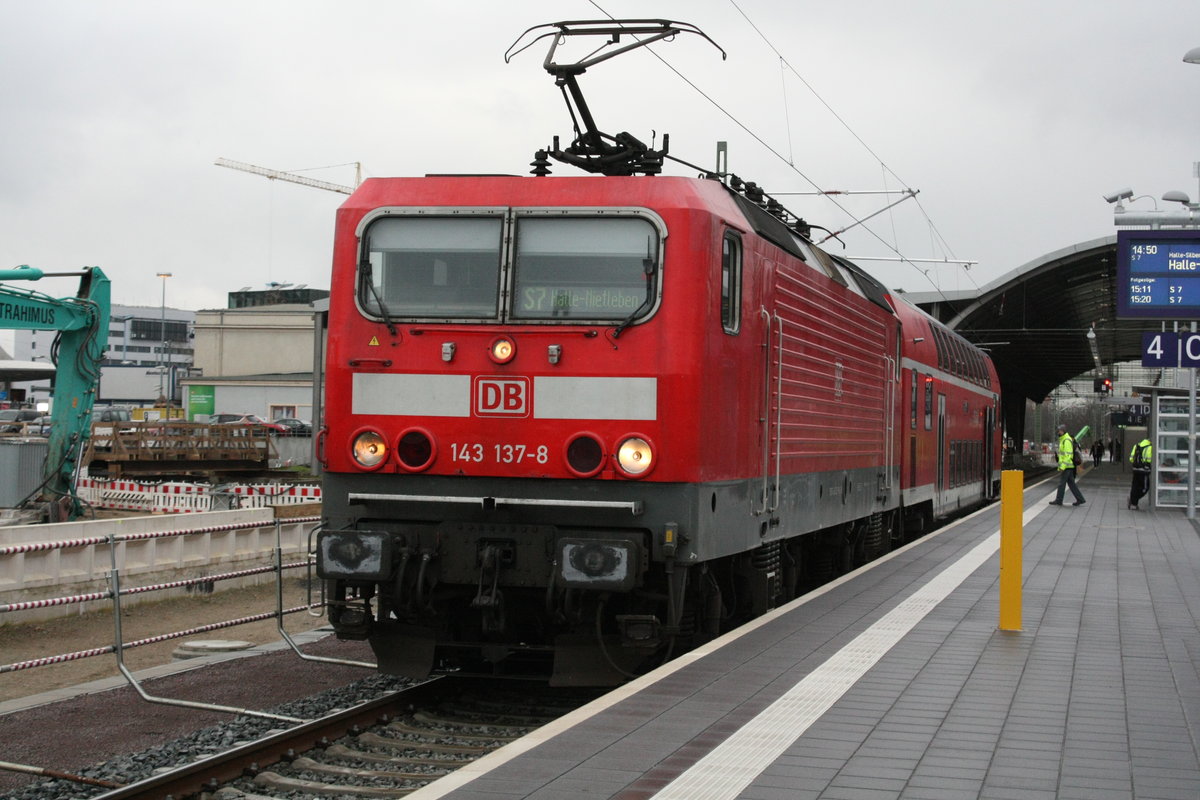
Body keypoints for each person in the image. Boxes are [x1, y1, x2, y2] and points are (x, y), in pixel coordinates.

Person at [1049, 423, 1085, 506]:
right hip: (1068, 466)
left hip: (1067, 466)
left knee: (1061, 484)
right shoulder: (1063, 440)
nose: (1058, 432)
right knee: (1071, 484)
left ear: (1062, 431)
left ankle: (1059, 500)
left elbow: (1068, 455)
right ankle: (1080, 499)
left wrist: (1062, 466)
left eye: (1059, 431)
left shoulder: (1066, 440)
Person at [1128, 436, 1153, 510]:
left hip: (1135, 469)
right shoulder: (1150, 447)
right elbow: (1150, 460)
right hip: (1144, 471)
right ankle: (1133, 500)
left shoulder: (1136, 445)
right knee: (1145, 488)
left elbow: (1131, 459)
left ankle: (1133, 504)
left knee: (1135, 486)